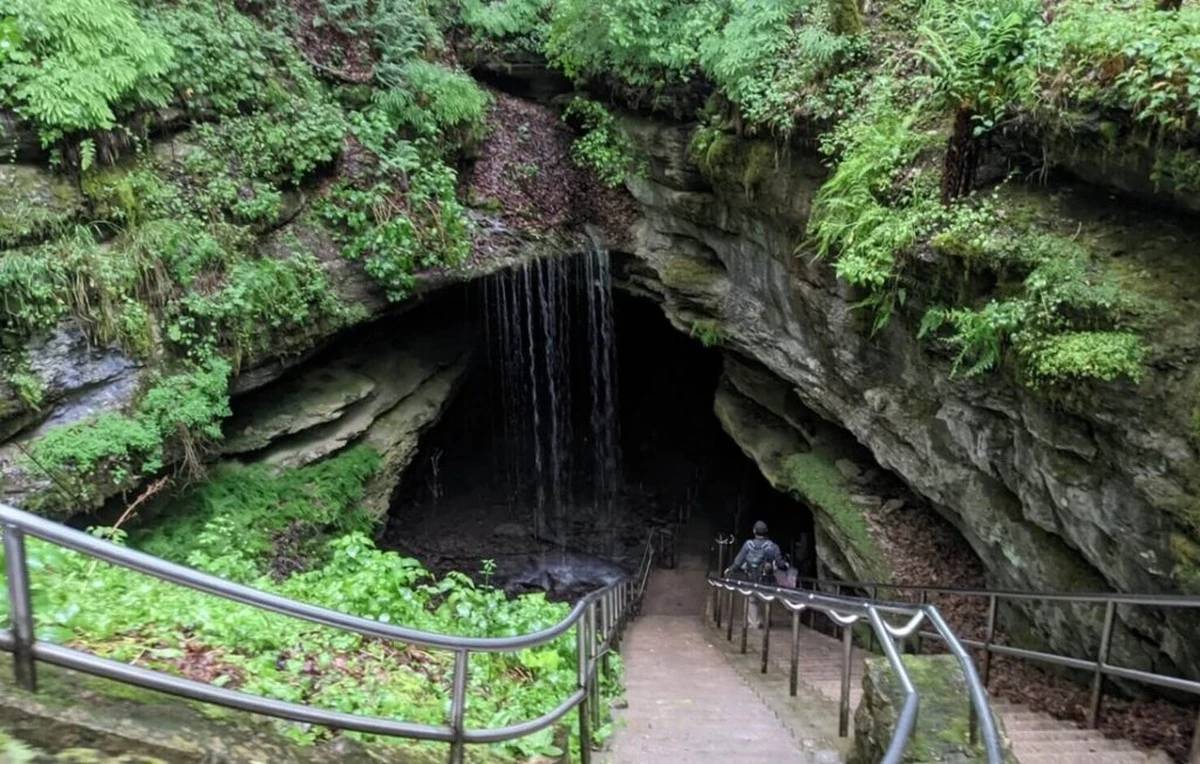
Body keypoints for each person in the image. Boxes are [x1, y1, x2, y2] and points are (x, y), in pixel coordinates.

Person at [724, 520, 784, 628]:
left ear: (754, 531)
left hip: (751, 576)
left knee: (752, 600)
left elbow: (739, 561)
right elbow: (780, 563)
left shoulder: (748, 544)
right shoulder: (772, 546)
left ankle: (754, 623)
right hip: (767, 578)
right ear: (766, 532)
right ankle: (766, 621)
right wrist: (785, 565)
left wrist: (730, 569)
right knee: (767, 598)